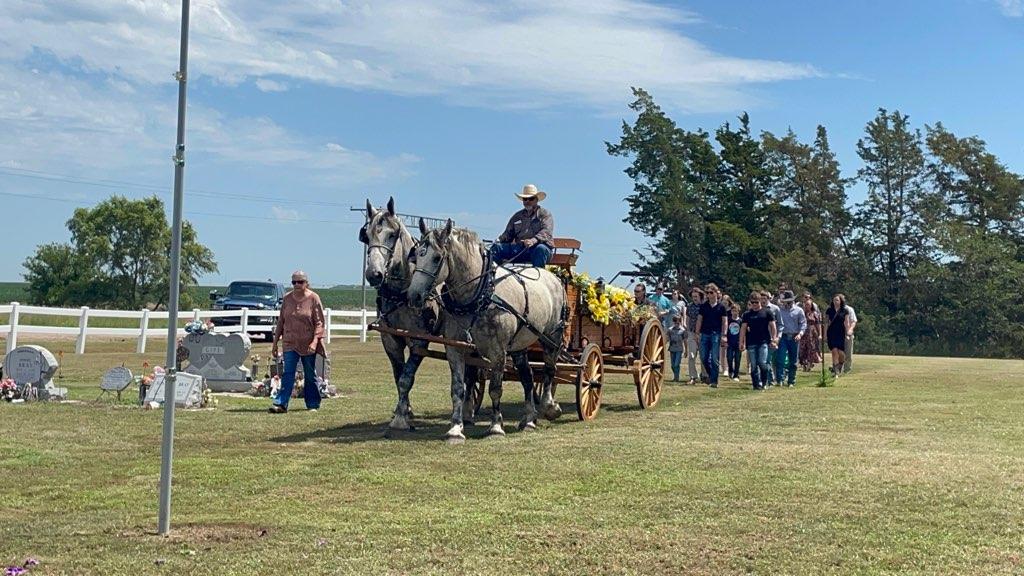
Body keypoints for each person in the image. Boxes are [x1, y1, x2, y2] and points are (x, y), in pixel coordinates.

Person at [269, 271, 326, 413]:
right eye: (294, 282)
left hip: (307, 343)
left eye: (300, 282)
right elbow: (281, 322)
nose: (297, 285)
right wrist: (275, 343)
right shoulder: (287, 299)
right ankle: (281, 404)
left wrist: (314, 342)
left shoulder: (313, 298)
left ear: (306, 283)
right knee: (288, 373)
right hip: (289, 342)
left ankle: (313, 403)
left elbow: (319, 323)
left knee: (309, 373)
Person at [490, 184, 554, 267]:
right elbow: (507, 234)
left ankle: (537, 277)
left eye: (531, 199)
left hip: (539, 249)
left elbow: (546, 232)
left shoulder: (545, 214)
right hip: (520, 249)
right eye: (525, 199)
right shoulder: (517, 216)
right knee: (496, 248)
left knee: (540, 249)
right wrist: (498, 240)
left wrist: (533, 240)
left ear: (536, 200)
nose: (527, 201)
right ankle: (493, 276)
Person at [740, 291, 777, 391]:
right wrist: (741, 342)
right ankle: (756, 384)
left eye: (756, 302)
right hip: (751, 342)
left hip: (764, 342)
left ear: (760, 301)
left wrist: (774, 339)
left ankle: (764, 382)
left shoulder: (767, 312)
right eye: (752, 303)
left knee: (762, 363)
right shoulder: (747, 315)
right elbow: (743, 329)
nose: (754, 305)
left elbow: (773, 327)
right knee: (753, 365)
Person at [695, 283, 728, 388]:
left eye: (711, 292)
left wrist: (724, 335)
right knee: (704, 358)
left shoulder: (721, 307)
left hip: (716, 334)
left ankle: (714, 381)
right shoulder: (704, 306)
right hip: (704, 333)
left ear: (716, 293)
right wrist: (697, 333)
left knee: (714, 358)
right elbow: (699, 320)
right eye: (707, 293)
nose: (709, 295)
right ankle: (710, 375)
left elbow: (725, 322)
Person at [776, 290, 807, 387]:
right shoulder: (780, 310)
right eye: (786, 301)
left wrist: (800, 334)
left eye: (789, 301)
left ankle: (791, 380)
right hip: (783, 337)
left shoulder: (799, 311)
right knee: (780, 359)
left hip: (794, 337)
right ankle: (780, 379)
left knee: (793, 360)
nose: (787, 303)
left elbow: (803, 323)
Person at [825, 293, 853, 376]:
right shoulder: (829, 310)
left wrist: (848, 333)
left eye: (837, 300)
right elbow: (826, 323)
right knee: (834, 351)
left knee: (841, 353)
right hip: (831, 332)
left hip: (840, 333)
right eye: (834, 300)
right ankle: (836, 371)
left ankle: (840, 364)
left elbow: (847, 323)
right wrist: (824, 334)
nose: (835, 301)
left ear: (841, 301)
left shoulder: (845, 311)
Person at [760, 291, 783, 387]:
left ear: (769, 298)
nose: (763, 300)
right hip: (761, 338)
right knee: (764, 360)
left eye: (765, 298)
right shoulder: (758, 309)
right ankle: (768, 380)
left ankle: (771, 380)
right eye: (761, 298)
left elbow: (780, 325)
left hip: (772, 339)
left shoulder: (775, 309)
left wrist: (777, 337)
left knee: (768, 359)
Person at [685, 287, 705, 385]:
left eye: (696, 296)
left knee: (703, 356)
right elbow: (687, 318)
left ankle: (705, 376)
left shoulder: (704, 307)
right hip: (692, 333)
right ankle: (693, 376)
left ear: (700, 296)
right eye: (693, 297)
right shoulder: (689, 306)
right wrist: (688, 330)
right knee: (692, 356)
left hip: (703, 333)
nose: (694, 298)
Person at [799, 294, 822, 371]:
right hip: (803, 333)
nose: (807, 306)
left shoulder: (815, 313)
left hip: (812, 332)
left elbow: (818, 324)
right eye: (806, 304)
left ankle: (809, 363)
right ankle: (804, 363)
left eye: (808, 304)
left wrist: (820, 334)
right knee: (802, 349)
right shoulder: (801, 313)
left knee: (811, 348)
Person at [725, 303, 742, 381]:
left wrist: (743, 342)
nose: (734, 312)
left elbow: (743, 332)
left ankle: (736, 374)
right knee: (729, 357)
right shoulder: (728, 320)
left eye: (736, 311)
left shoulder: (740, 321)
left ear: (738, 312)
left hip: (738, 342)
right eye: (733, 311)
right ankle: (730, 370)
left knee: (737, 359)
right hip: (730, 342)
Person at [668, 315, 686, 382]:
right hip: (672, 348)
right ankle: (675, 376)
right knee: (672, 365)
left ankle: (676, 377)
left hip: (679, 349)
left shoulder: (683, 331)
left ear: (680, 322)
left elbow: (685, 341)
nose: (677, 324)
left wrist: (686, 350)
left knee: (676, 364)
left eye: (678, 323)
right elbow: (667, 338)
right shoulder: (670, 330)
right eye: (675, 322)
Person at [844, 299, 858, 373]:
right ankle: (837, 368)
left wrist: (850, 330)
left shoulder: (849, 309)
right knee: (838, 352)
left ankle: (847, 369)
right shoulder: (834, 309)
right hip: (837, 333)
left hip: (847, 333)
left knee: (848, 353)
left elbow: (853, 321)